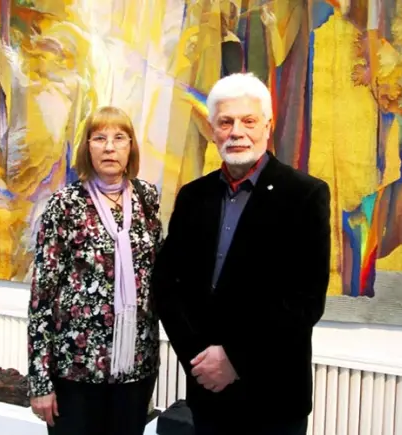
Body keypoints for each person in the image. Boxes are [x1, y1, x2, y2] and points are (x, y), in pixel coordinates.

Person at [153, 73, 332, 435]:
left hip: (274, 397)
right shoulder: (193, 197)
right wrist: (199, 359)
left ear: (268, 125)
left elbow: (305, 300)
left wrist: (234, 359)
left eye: (248, 121)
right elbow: (167, 286)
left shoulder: (305, 195)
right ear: (212, 130)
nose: (237, 132)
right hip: (208, 392)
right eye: (225, 122)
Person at [27, 106, 162, 435]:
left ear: (131, 146)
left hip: (134, 365)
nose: (109, 147)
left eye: (119, 138)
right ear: (87, 147)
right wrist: (40, 381)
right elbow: (42, 297)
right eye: (99, 138)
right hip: (76, 368)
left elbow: (156, 275)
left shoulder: (146, 198)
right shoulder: (65, 203)